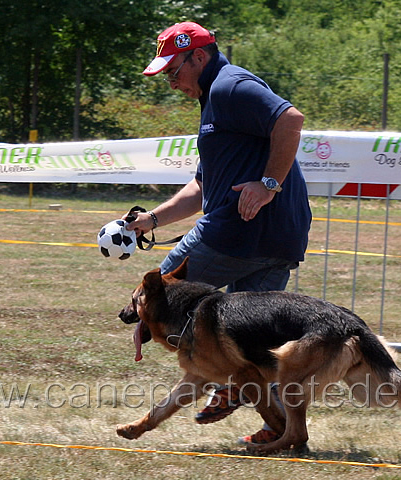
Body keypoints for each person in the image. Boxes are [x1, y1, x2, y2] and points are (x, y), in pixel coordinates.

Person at [126, 21, 312, 447]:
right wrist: (151, 220)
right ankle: (278, 428)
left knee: (148, 300)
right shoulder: (216, 101)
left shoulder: (230, 88)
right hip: (279, 238)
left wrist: (267, 185)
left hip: (238, 233)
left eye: (174, 72)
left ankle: (218, 378)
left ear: (198, 57)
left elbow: (291, 119)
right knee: (254, 347)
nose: (172, 83)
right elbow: (203, 187)